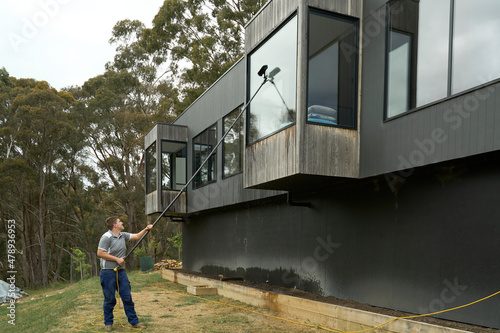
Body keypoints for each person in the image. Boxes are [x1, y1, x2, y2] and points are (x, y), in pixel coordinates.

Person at [97, 216, 153, 331]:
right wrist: (116, 259)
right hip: (108, 273)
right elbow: (100, 253)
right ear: (114, 225)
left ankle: (134, 322)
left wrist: (146, 229)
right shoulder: (106, 237)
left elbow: (137, 236)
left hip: (121, 272)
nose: (122, 222)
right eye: (119, 221)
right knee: (109, 299)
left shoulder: (123, 235)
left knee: (127, 297)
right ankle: (108, 323)